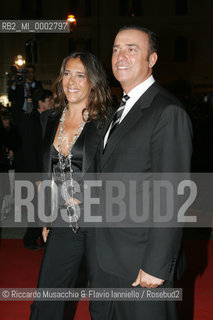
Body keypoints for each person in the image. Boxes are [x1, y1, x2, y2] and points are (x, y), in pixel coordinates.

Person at [94, 26, 193, 320]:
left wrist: (156, 264)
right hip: (107, 259)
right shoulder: (120, 110)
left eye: (131, 49)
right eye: (115, 49)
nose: (120, 56)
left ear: (152, 59)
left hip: (142, 264)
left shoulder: (166, 111)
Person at [29, 51, 111, 319]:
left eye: (80, 75)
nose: (71, 81)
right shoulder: (49, 118)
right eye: (67, 74)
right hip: (63, 221)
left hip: (100, 223)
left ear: (93, 81)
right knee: (46, 300)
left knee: (103, 303)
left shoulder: (107, 121)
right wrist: (45, 217)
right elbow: (46, 173)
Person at [22, 89, 53, 250]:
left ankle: (39, 236)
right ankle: (30, 239)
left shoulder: (46, 119)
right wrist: (36, 177)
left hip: (43, 170)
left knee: (42, 206)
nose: (52, 102)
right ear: (40, 102)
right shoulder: (31, 121)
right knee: (35, 207)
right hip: (35, 173)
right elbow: (29, 151)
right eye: (49, 100)